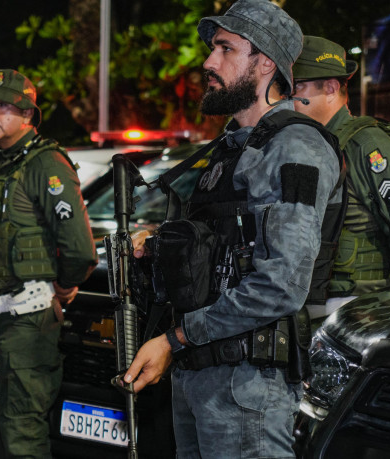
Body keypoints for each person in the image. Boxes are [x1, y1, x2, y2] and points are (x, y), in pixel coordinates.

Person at [123, 1, 341, 457]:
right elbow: (224, 247)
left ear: (264, 63)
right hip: (201, 376)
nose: (208, 61)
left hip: (246, 390)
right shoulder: (232, 148)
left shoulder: (294, 146)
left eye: (225, 48)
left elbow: (281, 284)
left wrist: (175, 339)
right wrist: (160, 247)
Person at [0, 69, 97, 458]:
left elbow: (79, 249)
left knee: (21, 434)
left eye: (3, 105)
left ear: (27, 115)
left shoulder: (45, 163)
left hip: (25, 323)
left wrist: (65, 285)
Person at [290, 36, 390, 323]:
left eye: (296, 87)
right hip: (301, 318)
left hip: (355, 320)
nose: (286, 98)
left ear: (330, 88)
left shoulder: (366, 145)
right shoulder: (297, 147)